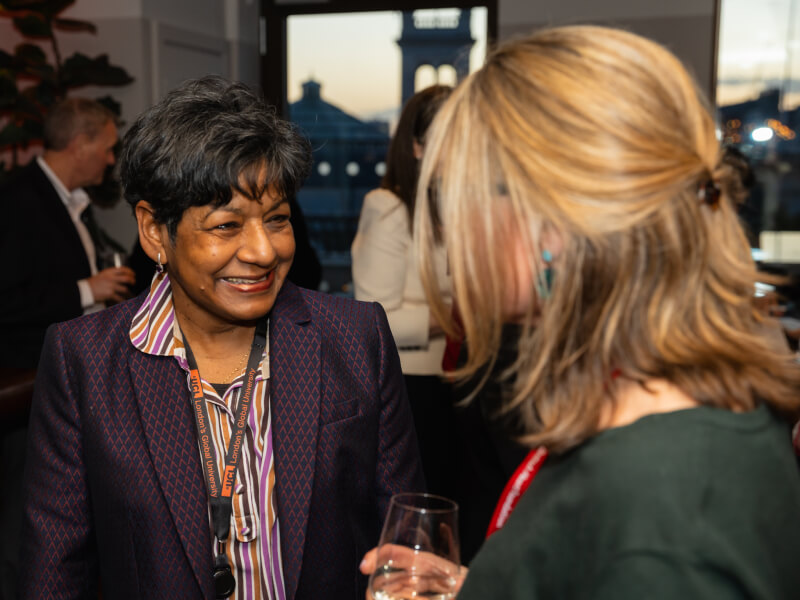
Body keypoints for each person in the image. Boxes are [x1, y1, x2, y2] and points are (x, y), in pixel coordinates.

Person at [361, 26, 800, 598]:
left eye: (456, 194)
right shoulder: (659, 407)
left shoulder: (666, 510)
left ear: (551, 227)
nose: (451, 227)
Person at [20, 76, 424, 600]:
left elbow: (407, 538)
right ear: (153, 231)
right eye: (227, 226)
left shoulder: (354, 338)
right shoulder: (86, 362)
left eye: (276, 219)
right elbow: (53, 574)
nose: (263, 251)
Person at [351, 84, 455, 497]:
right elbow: (374, 322)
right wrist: (454, 316)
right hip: (414, 387)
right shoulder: (389, 207)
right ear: (416, 147)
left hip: (459, 380)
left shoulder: (463, 209)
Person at [0, 97, 136, 370]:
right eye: (108, 149)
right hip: (36, 373)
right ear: (81, 144)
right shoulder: (15, 201)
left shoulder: (73, 200)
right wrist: (88, 289)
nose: (111, 160)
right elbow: (6, 302)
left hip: (78, 357)